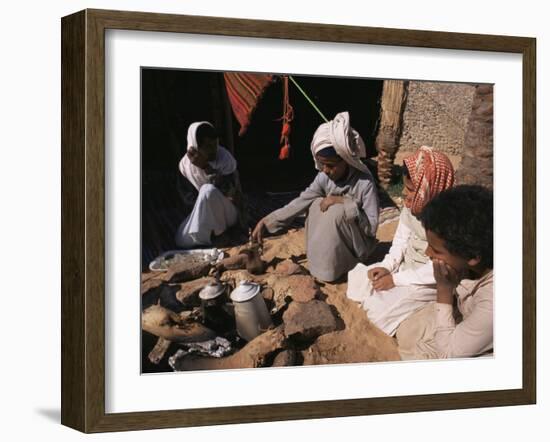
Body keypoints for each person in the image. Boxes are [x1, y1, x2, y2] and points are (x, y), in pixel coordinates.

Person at [251, 111, 379, 282]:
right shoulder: (324, 177)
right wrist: (267, 221)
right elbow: (300, 202)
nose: (325, 170)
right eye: (321, 164)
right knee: (315, 203)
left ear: (346, 160)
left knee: (337, 211)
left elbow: (371, 228)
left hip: (358, 247)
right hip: (337, 241)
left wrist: (345, 203)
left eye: (330, 165)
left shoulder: (365, 183)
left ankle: (339, 266)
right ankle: (322, 262)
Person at [346, 146, 455, 336]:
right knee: (359, 276)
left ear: (429, 189)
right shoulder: (411, 207)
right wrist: (388, 266)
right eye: (405, 186)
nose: (404, 193)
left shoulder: (449, 223)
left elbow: (436, 269)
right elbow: (401, 241)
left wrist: (395, 280)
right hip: (404, 268)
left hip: (429, 280)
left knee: (380, 309)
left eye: (411, 189)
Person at [396, 185, 493, 360]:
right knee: (406, 331)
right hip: (466, 318)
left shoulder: (494, 302)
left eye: (436, 250)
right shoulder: (469, 262)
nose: (427, 253)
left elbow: (448, 355)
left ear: (472, 256)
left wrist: (444, 290)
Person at [175, 121, 242, 248]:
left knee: (207, 190)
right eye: (208, 146)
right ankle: (212, 236)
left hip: (229, 214)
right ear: (194, 148)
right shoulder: (184, 167)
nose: (214, 150)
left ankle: (220, 235)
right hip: (204, 216)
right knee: (181, 239)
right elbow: (189, 202)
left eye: (215, 144)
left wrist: (206, 168)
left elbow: (232, 194)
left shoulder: (225, 160)